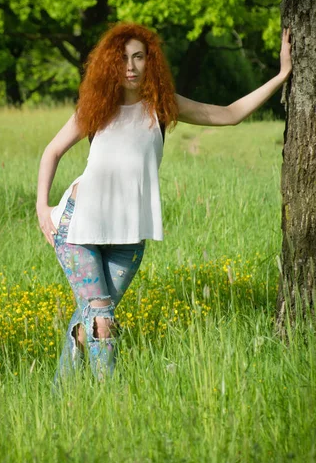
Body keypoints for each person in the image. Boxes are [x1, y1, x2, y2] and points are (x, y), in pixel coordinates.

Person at [36, 22, 292, 383]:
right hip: (78, 228)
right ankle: (110, 407)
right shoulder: (97, 107)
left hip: (129, 236)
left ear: (150, 61)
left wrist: (282, 75)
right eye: (122, 58)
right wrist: (42, 208)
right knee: (102, 320)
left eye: (138, 57)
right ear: (110, 63)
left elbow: (230, 114)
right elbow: (52, 151)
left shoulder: (162, 107)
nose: (130, 65)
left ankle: (60, 399)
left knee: (90, 320)